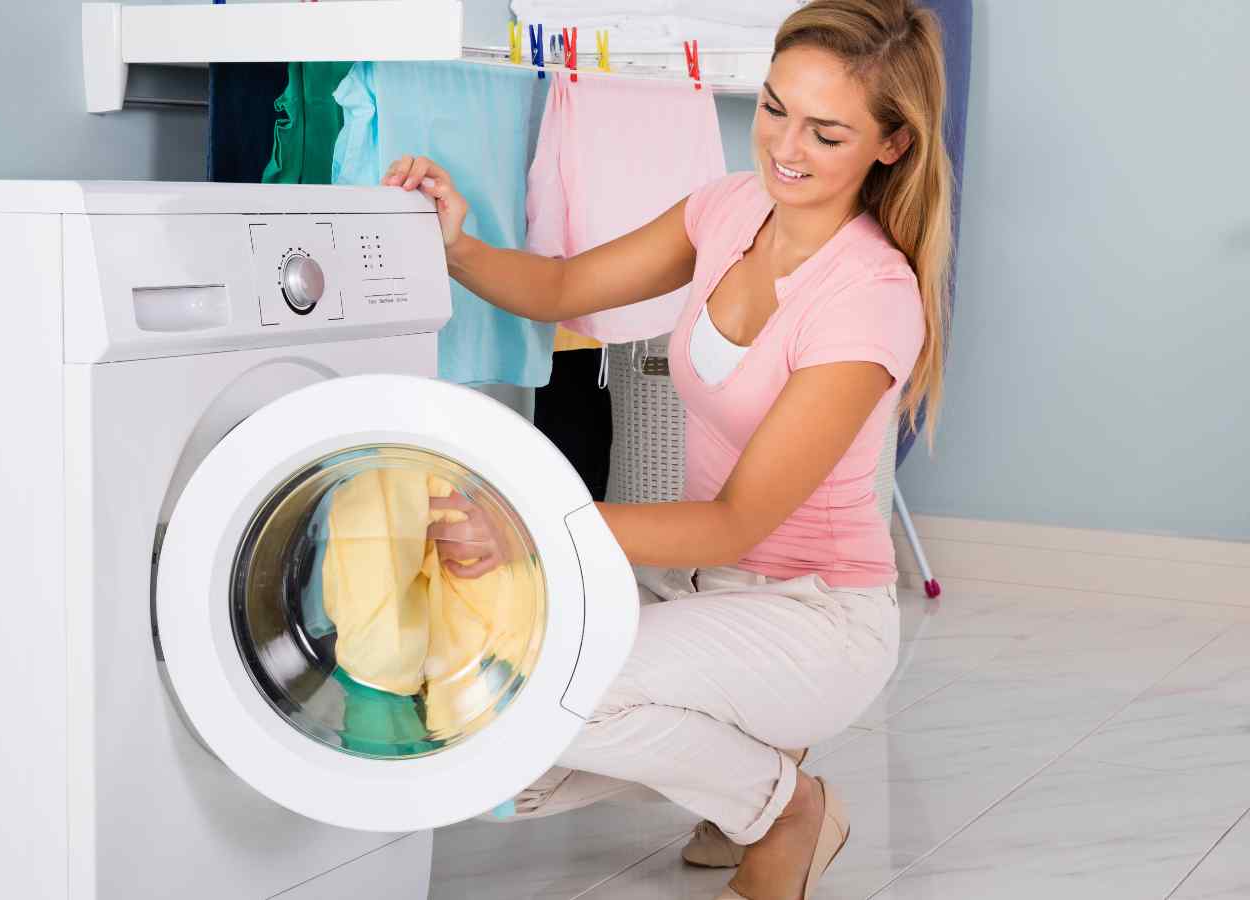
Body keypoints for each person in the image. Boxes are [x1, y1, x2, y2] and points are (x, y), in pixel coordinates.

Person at [385, 1, 952, 897]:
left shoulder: (867, 298)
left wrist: (530, 526)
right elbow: (568, 284)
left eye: (826, 132)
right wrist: (457, 245)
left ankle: (783, 807)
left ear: (889, 145)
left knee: (559, 691)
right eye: (773, 108)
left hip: (813, 614)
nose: (784, 147)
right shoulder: (729, 211)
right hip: (693, 586)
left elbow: (733, 523)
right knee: (489, 741)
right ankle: (748, 764)